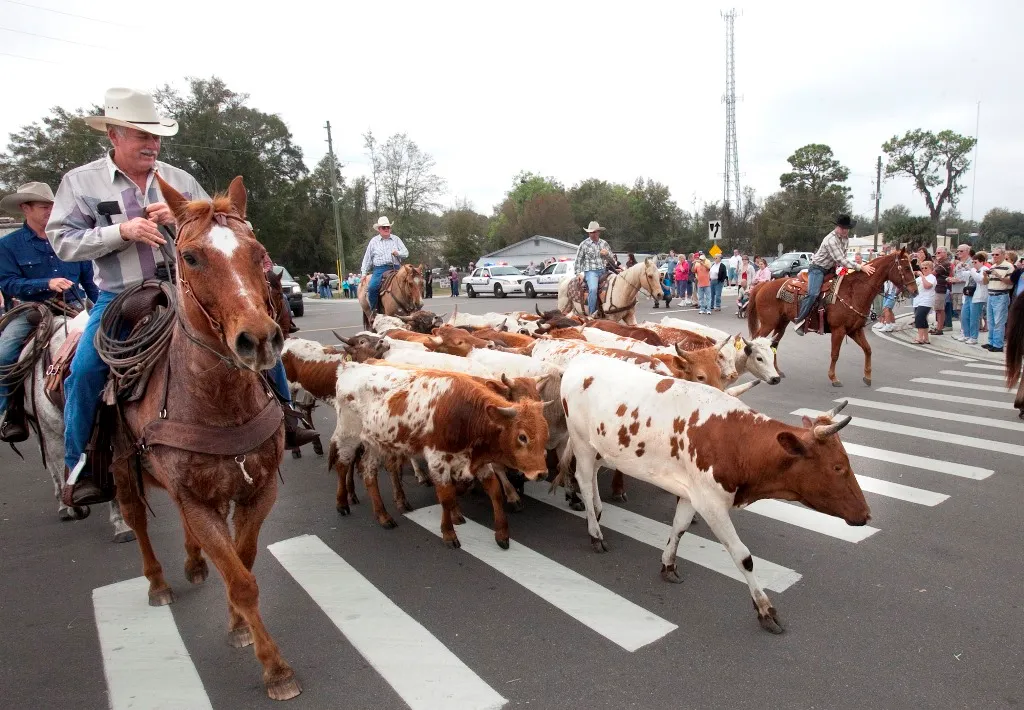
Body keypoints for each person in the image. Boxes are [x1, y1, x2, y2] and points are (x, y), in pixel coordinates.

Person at [49, 88, 317, 506]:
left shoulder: (181, 181)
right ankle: (83, 465)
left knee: (258, 339)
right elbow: (62, 242)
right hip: (121, 294)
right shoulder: (80, 182)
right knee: (84, 371)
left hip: (184, 291)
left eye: (155, 136)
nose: (152, 144)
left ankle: (286, 413)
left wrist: (177, 223)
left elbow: (214, 235)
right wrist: (121, 231)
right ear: (115, 135)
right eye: (141, 135)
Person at [0, 182, 99, 442]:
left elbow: (90, 282)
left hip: (75, 307)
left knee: (107, 344)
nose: (51, 211)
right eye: (45, 206)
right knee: (4, 353)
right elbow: (8, 283)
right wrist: (45, 284)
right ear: (25, 208)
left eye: (53, 206)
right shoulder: (9, 245)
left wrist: (103, 307)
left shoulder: (71, 239)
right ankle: (12, 412)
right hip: (30, 310)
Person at [794, 215, 876, 334]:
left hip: (831, 268)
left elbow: (843, 257)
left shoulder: (845, 238)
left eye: (847, 228)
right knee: (813, 293)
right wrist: (861, 267)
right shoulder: (830, 240)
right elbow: (841, 260)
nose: (845, 231)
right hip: (818, 268)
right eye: (843, 228)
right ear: (837, 227)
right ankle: (800, 321)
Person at [361, 216, 409, 314]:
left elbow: (406, 252)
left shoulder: (396, 239)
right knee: (372, 287)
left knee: (410, 284)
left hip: (396, 268)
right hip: (380, 269)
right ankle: (374, 311)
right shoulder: (373, 241)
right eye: (384, 227)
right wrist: (363, 273)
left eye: (388, 227)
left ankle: (412, 307)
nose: (386, 229)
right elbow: (367, 258)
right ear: (379, 229)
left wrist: (398, 253)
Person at [574, 221, 613, 316]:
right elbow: (578, 260)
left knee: (616, 283)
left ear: (599, 232)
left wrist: (607, 254)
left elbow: (612, 259)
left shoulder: (604, 244)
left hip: (604, 270)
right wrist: (578, 273)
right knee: (593, 289)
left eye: (594, 232)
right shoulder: (584, 244)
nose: (592, 234)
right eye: (590, 232)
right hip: (591, 272)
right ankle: (592, 314)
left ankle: (613, 309)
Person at [982, 247, 1013, 353]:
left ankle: (998, 344)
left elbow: (1009, 282)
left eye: (997, 255)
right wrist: (985, 276)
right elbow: (986, 282)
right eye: (993, 255)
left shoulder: (1009, 266)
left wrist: (998, 275)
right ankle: (991, 342)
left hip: (1001, 295)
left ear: (1003, 255)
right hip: (991, 294)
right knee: (990, 320)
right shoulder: (993, 266)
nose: (994, 257)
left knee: (999, 321)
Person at [961, 251, 989, 345]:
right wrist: (962, 268)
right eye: (972, 262)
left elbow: (980, 279)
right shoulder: (972, 270)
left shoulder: (984, 269)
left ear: (981, 262)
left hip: (978, 297)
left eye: (975, 262)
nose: (973, 264)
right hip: (969, 296)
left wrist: (971, 270)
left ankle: (974, 337)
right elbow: (962, 276)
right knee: (964, 315)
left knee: (974, 318)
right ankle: (966, 335)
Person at [912, 261, 936, 344]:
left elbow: (927, 286)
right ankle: (926, 338)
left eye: (926, 268)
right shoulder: (918, 279)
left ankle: (919, 338)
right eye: (922, 268)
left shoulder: (931, 277)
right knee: (923, 319)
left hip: (926, 300)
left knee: (919, 318)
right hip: (918, 300)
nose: (924, 269)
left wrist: (922, 276)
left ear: (931, 268)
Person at [930, 247, 951, 335]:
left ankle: (940, 328)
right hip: (937, 288)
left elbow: (933, 273)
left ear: (944, 253)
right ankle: (938, 326)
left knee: (940, 309)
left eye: (938, 253)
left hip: (941, 288)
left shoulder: (945, 263)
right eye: (936, 253)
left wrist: (935, 263)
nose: (936, 255)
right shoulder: (940, 263)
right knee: (938, 309)